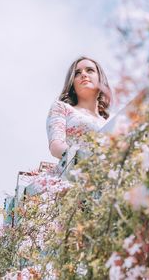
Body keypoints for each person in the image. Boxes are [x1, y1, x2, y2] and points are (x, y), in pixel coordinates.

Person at [26, 56, 112, 196]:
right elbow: (56, 146)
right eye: (77, 73)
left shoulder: (110, 121)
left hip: (108, 187)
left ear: (100, 79)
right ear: (72, 83)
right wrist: (83, 158)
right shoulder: (62, 108)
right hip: (75, 186)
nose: (83, 74)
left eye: (90, 70)